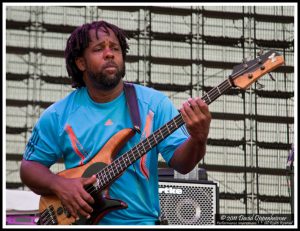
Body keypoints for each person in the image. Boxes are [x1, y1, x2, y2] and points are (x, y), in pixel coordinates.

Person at [20, 20, 211, 225]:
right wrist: (60, 185)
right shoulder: (58, 115)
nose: (110, 53)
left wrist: (198, 138)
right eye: (99, 49)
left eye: (115, 48)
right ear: (80, 62)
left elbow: (183, 164)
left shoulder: (154, 104)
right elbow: (29, 168)